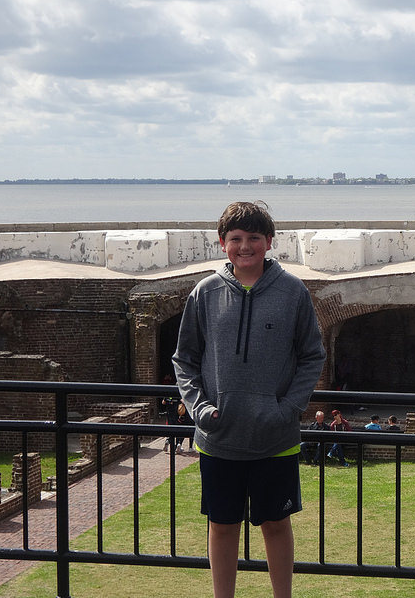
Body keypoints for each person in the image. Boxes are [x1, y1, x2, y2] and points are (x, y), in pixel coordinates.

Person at [172, 201, 326, 598]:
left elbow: (312, 355)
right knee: (222, 525)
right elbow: (184, 358)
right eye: (236, 239)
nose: (245, 246)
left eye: (254, 238)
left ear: (269, 242)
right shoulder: (204, 293)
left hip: (274, 437)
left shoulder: (293, 292)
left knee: (276, 524)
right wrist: (199, 408)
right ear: (223, 243)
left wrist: (288, 409)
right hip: (219, 436)